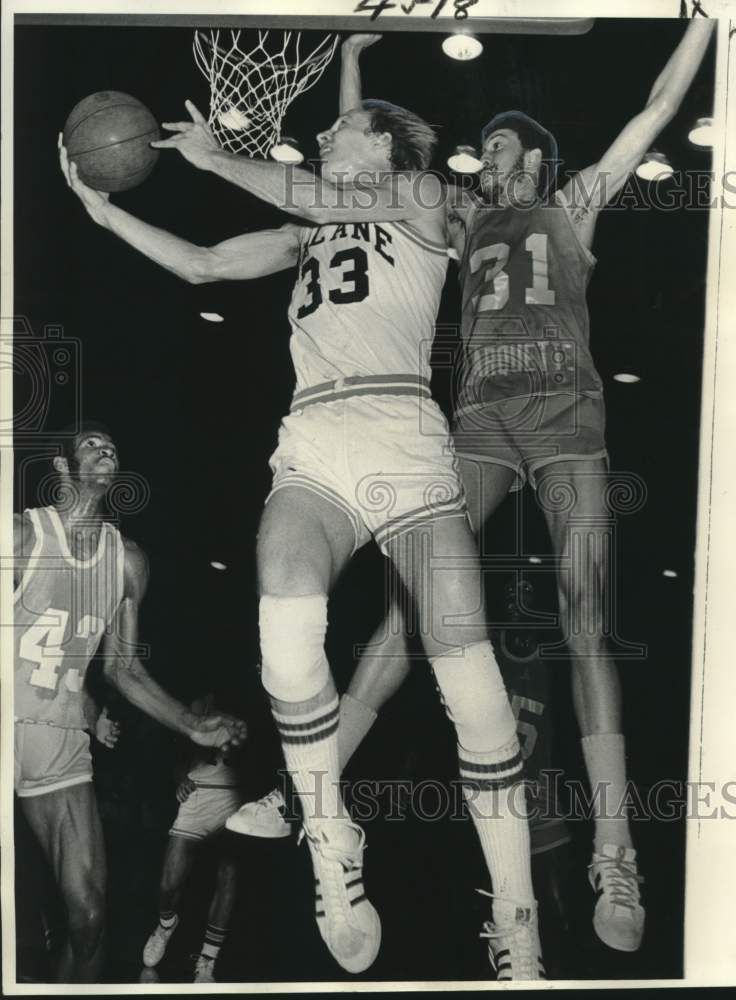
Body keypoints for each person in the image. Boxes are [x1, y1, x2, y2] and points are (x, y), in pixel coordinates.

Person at [224, 22, 715, 956]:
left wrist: (701, 21)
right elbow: (344, 192)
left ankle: (615, 851)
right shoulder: (448, 214)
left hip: (566, 418)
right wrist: (357, 67)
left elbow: (652, 112)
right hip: (478, 422)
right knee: (414, 618)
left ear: (529, 156)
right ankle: (302, 789)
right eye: (477, 145)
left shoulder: (574, 206)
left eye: (494, 142)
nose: (479, 153)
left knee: (584, 618)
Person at [60, 87, 545, 980]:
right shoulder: (305, 229)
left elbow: (319, 194)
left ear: (387, 148)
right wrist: (102, 211)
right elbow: (203, 264)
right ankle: (331, 842)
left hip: (402, 437)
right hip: (315, 440)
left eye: (340, 126)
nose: (323, 133)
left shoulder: (425, 196)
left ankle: (517, 918)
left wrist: (212, 159)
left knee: (470, 686)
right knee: (284, 651)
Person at [13, 423, 248, 982]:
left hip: (58, 741)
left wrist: (190, 725)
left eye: (112, 445)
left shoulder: (129, 562)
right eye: (91, 443)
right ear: (63, 467)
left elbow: (122, 667)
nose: (106, 448)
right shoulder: (21, 536)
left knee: (91, 916)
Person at [141, 692, 243, 984]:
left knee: (229, 873)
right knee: (167, 884)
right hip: (199, 794)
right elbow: (180, 757)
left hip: (236, 796)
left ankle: (207, 961)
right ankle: (165, 925)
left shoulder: (262, 689)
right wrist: (180, 779)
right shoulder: (201, 700)